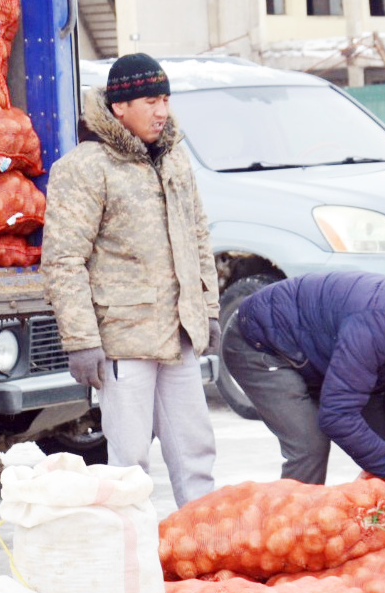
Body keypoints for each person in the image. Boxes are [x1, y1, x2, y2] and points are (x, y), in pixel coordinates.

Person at [40, 53, 220, 509]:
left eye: (165, 99)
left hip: (178, 332)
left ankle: (202, 548)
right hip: (122, 339)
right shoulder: (85, 167)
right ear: (120, 106)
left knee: (195, 451)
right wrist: (81, 340)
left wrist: (208, 310)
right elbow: (63, 260)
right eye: (150, 100)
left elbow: (198, 237)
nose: (162, 111)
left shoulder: (175, 160)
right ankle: (133, 559)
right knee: (129, 465)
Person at [220, 258, 385, 513]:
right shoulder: (380, 322)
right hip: (261, 344)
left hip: (316, 353)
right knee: (310, 444)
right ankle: (291, 534)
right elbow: (336, 416)